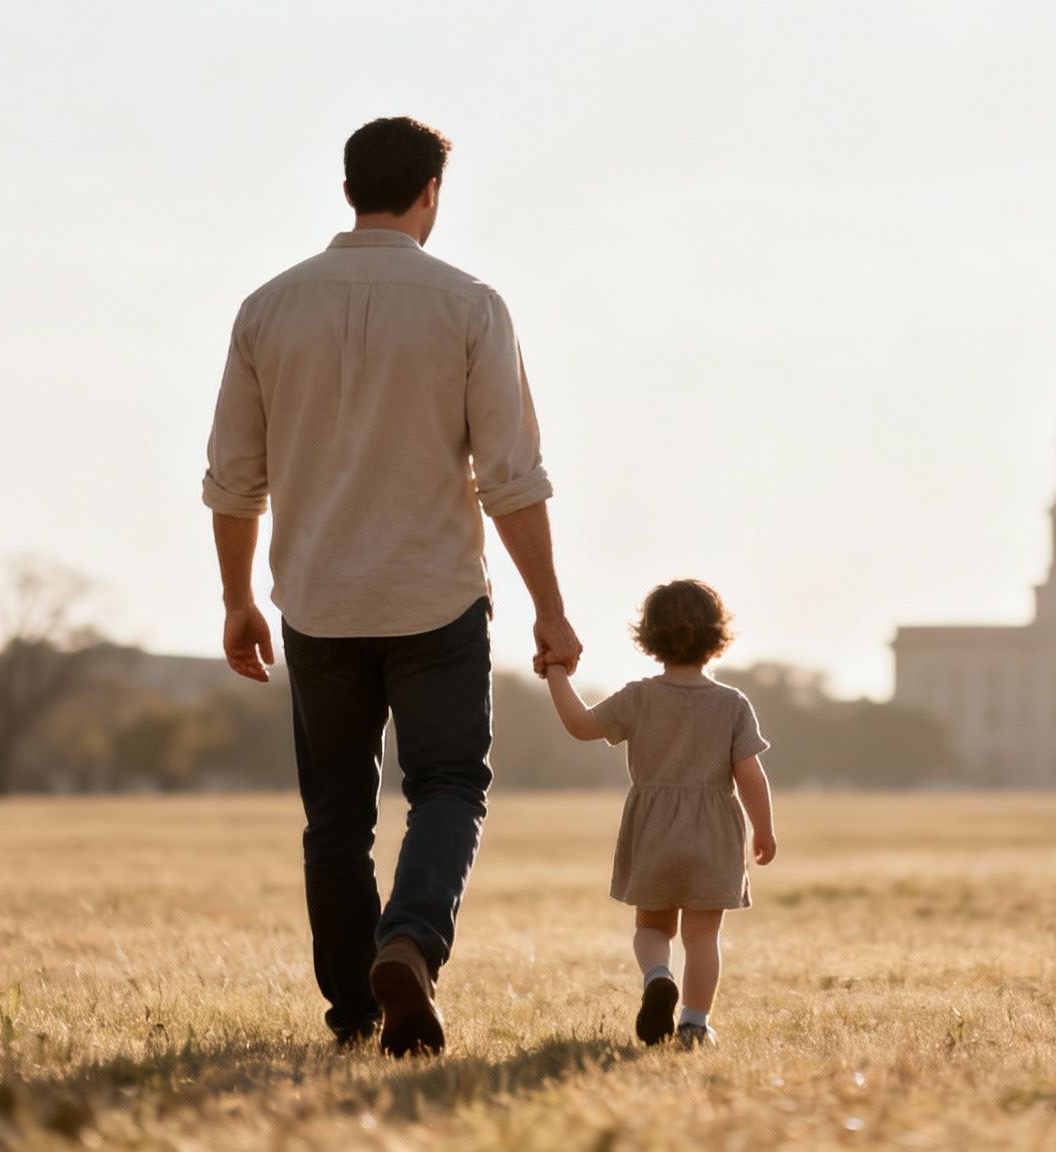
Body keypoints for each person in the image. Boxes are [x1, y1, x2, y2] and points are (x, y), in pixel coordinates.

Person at [201, 116, 581, 1058]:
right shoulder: (471, 305)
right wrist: (550, 606)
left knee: (335, 813)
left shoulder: (267, 308)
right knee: (449, 785)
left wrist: (236, 598)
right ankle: (409, 942)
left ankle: (353, 1010)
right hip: (437, 600)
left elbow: (232, 479)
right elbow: (511, 479)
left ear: (346, 191)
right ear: (430, 195)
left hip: (317, 602)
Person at [543, 579, 776, 1049]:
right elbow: (750, 773)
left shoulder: (639, 697)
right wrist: (764, 829)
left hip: (653, 829)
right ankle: (693, 1023)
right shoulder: (732, 704)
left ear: (648, 636)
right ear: (718, 636)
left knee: (652, 927)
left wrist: (555, 673)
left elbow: (580, 725)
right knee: (702, 936)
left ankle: (656, 978)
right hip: (713, 832)